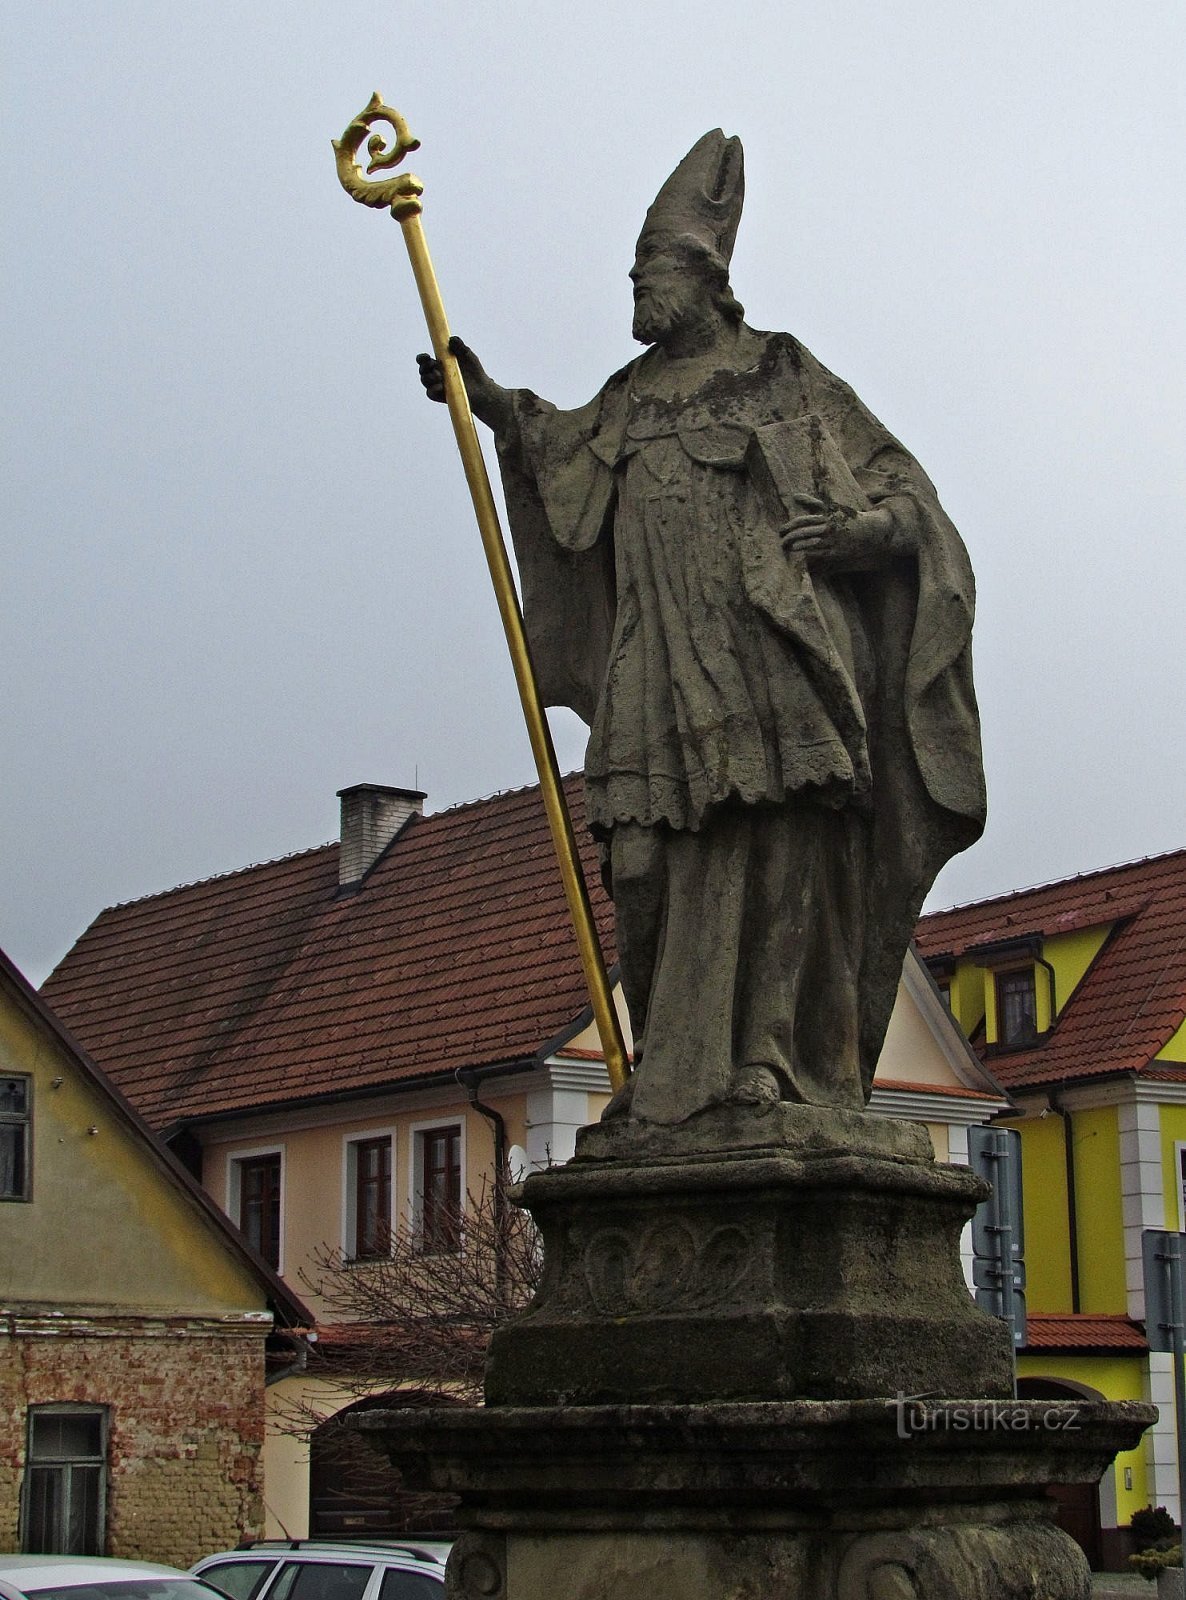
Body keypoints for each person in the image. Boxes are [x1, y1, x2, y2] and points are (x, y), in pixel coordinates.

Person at [418, 130, 985, 1126]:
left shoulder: (779, 372)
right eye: (632, 272)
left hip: (767, 651)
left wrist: (852, 532)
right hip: (653, 661)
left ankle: (766, 1057)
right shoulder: (630, 398)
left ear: (704, 277)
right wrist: (492, 403)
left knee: (780, 851)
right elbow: (562, 455)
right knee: (638, 864)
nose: (635, 288)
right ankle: (669, 1065)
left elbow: (909, 495)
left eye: (650, 271)